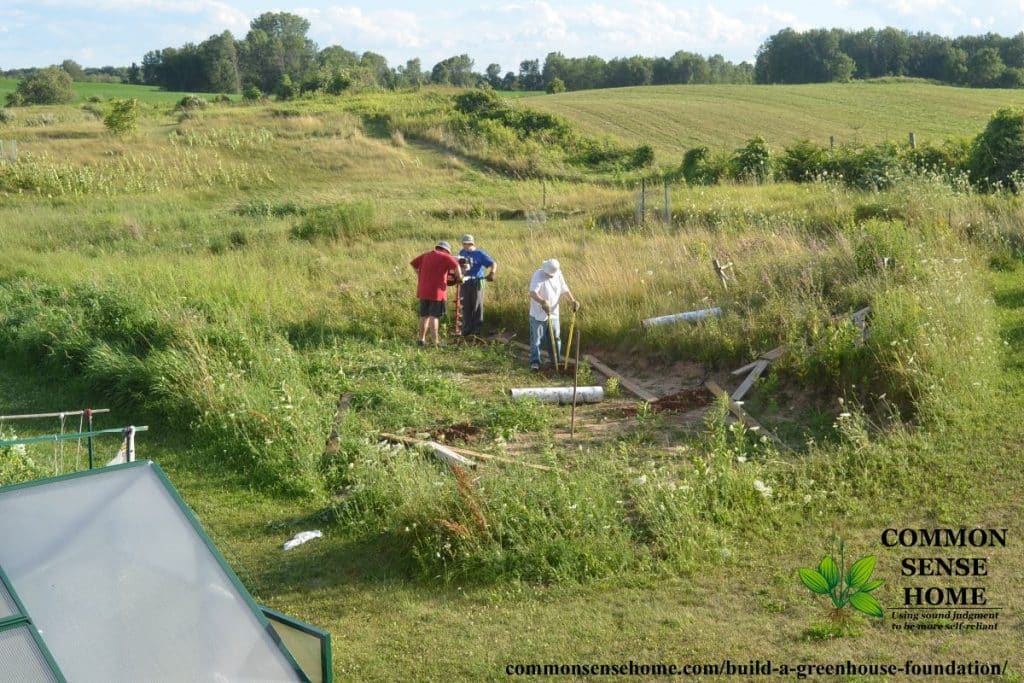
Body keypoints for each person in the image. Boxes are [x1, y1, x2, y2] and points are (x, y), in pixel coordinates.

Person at [528, 258, 579, 370]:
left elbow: (564, 289)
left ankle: (555, 361)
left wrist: (572, 301)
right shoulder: (538, 275)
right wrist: (543, 302)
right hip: (538, 315)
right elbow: (532, 292)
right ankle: (535, 362)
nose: (550, 276)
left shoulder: (558, 274)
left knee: (555, 338)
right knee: (536, 339)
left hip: (554, 313)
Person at [410, 241, 463, 346]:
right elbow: (456, 266)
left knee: (424, 315)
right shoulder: (446, 257)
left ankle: (421, 340)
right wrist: (460, 277)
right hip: (437, 292)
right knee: (434, 316)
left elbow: (413, 264)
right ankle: (436, 342)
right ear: (445, 250)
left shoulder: (425, 255)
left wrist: (419, 274)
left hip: (423, 291)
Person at [457, 234, 497, 337]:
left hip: (479, 281)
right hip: (465, 282)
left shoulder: (480, 254)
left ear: (471, 243)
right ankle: (466, 329)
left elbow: (493, 263)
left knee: (477, 305)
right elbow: (458, 265)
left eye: (466, 244)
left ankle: (477, 330)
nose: (464, 246)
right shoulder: (462, 252)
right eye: (463, 244)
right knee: (465, 305)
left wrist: (492, 273)